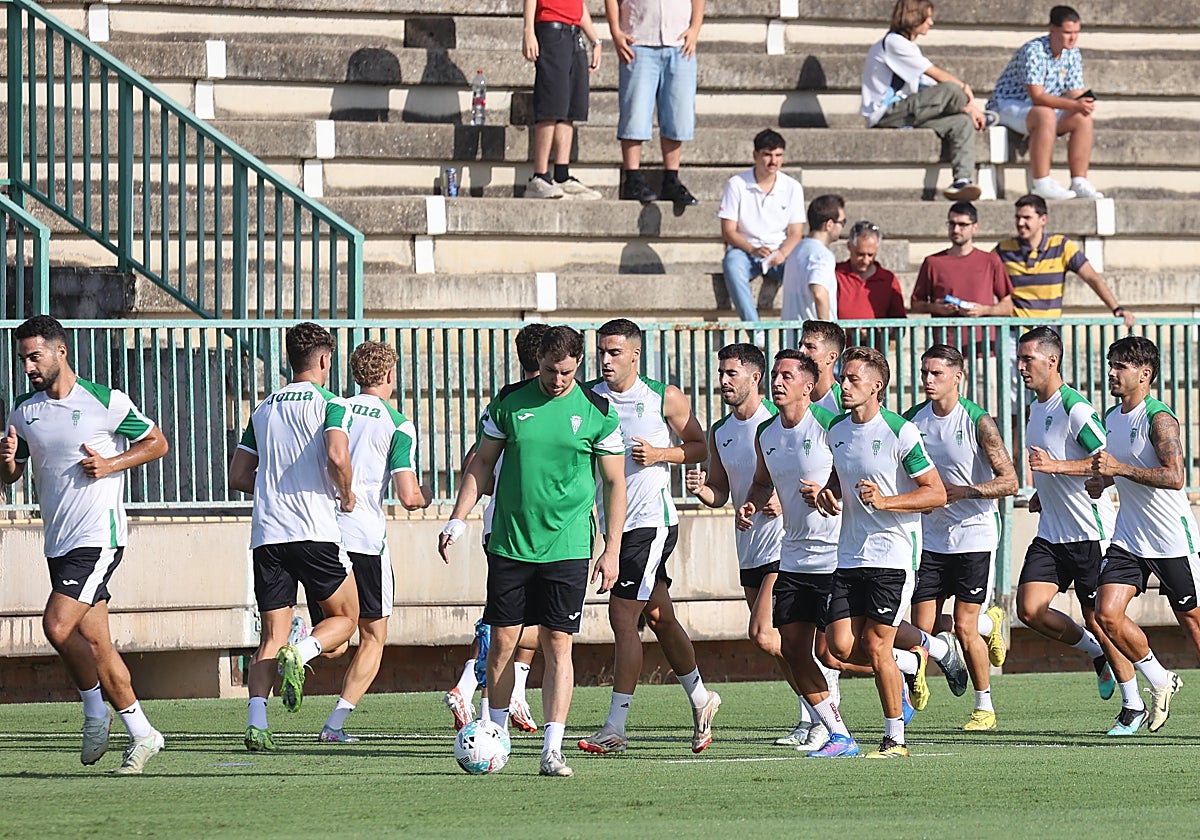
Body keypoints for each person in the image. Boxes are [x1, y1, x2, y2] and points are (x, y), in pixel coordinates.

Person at [439, 325, 627, 778]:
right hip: (511, 542)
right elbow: (482, 463)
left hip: (567, 545)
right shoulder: (509, 402)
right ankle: (495, 737)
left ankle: (552, 750)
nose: (556, 380)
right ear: (537, 362)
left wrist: (612, 549)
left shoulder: (598, 411)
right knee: (502, 641)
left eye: (565, 372)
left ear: (578, 364)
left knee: (557, 642)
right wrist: (457, 517)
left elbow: (615, 483)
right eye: (548, 370)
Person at [0, 315, 169, 775]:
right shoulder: (24, 411)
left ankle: (95, 714)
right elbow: (11, 475)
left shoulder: (104, 401)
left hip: (98, 538)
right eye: (23, 359)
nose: (29, 367)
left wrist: (112, 464)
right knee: (96, 644)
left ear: (61, 351)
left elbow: (157, 443)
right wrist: (8, 462)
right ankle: (143, 733)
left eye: (35, 357)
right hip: (58, 542)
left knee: (56, 626)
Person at [580, 318, 719, 756]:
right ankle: (701, 697)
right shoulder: (587, 396)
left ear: (635, 355)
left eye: (614, 352)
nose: (606, 360)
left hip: (651, 523)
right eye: (601, 352)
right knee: (659, 617)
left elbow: (699, 445)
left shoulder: (663, 397)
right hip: (615, 525)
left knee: (622, 617)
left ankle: (615, 726)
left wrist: (661, 453)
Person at [229, 322, 361, 752]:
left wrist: (274, 488)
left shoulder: (264, 408)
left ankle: (257, 723)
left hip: (268, 534)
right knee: (346, 619)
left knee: (271, 635)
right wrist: (346, 493)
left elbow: (238, 475)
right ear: (324, 359)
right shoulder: (331, 403)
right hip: (314, 530)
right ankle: (300, 655)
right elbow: (337, 454)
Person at [815, 346, 947, 758]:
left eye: (853, 379)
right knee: (835, 649)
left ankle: (895, 739)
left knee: (875, 645)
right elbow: (841, 475)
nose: (843, 385)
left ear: (876, 386)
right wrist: (828, 494)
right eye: (842, 378)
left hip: (892, 556)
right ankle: (913, 661)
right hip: (849, 555)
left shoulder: (900, 432)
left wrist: (886, 501)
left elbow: (936, 493)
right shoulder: (836, 429)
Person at [686, 344, 819, 747]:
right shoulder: (721, 431)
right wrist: (702, 490)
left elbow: (802, 470)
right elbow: (722, 491)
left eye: (732, 373)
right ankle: (812, 715)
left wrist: (779, 497)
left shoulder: (776, 423)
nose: (723, 381)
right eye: (721, 373)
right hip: (748, 547)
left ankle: (824, 714)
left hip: (783, 545)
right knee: (780, 645)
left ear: (755, 377)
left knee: (765, 635)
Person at [741, 351, 858, 756]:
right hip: (792, 555)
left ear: (808, 387)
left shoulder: (831, 425)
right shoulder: (766, 433)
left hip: (836, 555)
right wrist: (751, 502)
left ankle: (907, 663)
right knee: (792, 649)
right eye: (775, 374)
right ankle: (839, 734)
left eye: (787, 376)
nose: (777, 381)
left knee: (835, 652)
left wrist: (830, 492)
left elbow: (856, 473)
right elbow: (761, 481)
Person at [315, 340, 432, 743]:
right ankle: (334, 727)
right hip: (365, 539)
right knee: (373, 637)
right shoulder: (397, 424)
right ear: (390, 375)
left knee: (334, 640)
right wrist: (425, 494)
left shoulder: (335, 408)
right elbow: (408, 496)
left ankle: (301, 639)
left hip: (324, 535)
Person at [1016, 326, 1135, 723]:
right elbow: (1055, 464)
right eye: (1019, 359)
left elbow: (1107, 461)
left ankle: (1133, 703)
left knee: (1101, 621)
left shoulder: (1075, 408)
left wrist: (1055, 467)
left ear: (1052, 360)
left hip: (1090, 533)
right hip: (1052, 531)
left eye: (1028, 359)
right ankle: (1095, 653)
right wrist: (1044, 490)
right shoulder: (1035, 408)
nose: (1021, 367)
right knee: (1029, 609)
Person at [902, 345, 1018, 731]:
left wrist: (963, 492)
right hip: (931, 539)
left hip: (974, 536)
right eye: (924, 372)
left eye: (936, 373)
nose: (928, 380)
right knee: (923, 630)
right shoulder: (912, 420)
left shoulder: (978, 422)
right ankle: (989, 625)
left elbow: (1010, 481)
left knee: (964, 626)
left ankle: (984, 707)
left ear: (958, 377)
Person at [443, 324, 550, 734]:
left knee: (525, 616)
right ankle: (473, 687)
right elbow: (478, 464)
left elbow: (473, 464)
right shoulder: (522, 402)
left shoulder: (504, 401)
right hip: (522, 529)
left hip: (510, 526)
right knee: (518, 620)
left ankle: (512, 692)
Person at [1089, 338, 1192, 734]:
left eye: (1121, 366)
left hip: (1171, 539)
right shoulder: (1112, 417)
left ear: (1145, 374)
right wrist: (1104, 480)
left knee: (1193, 624)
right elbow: (1125, 466)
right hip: (1129, 536)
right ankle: (1161, 679)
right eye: (1112, 364)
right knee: (1106, 614)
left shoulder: (1159, 419)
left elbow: (1175, 476)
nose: (1112, 372)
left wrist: (1118, 469)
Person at [862, 0, 991, 201]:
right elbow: (939, 77)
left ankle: (962, 180)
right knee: (952, 89)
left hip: (907, 113)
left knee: (961, 123)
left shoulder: (909, 47)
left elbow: (927, 84)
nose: (931, 22)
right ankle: (977, 114)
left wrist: (966, 109)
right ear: (913, 17)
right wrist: (968, 98)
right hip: (887, 113)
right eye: (927, 17)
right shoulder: (895, 43)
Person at [987, 5, 1102, 201]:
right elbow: (1037, 96)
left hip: (1039, 109)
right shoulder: (1034, 51)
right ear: (1052, 30)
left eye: (1076, 33)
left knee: (1082, 119)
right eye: (1067, 33)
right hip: (1007, 104)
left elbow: (1075, 91)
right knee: (1045, 114)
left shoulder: (1073, 53)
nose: (1073, 38)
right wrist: (1074, 105)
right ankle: (1041, 182)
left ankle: (1079, 181)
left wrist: (1084, 102)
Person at [607, 0, 704, 206]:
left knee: (677, 113)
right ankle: (632, 177)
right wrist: (615, 31)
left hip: (679, 41)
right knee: (635, 112)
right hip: (639, 39)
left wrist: (695, 28)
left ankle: (671, 178)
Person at [996, 194, 1134, 326]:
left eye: (1027, 218)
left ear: (1043, 219)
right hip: (1014, 332)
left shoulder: (1061, 246)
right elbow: (984, 269)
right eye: (1017, 217)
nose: (1020, 223)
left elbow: (1092, 278)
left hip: (1047, 332)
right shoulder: (1003, 249)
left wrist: (1116, 309)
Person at [718, 129, 807, 322]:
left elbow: (796, 232)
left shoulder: (792, 187)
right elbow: (728, 231)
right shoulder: (736, 184)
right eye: (767, 154)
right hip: (744, 251)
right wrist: (752, 249)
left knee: (805, 270)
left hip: (779, 251)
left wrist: (782, 253)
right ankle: (756, 330)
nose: (773, 161)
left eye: (778, 155)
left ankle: (805, 328)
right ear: (755, 155)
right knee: (732, 265)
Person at [522, 0, 604, 199]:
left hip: (574, 32)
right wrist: (528, 30)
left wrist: (595, 39)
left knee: (569, 105)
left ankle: (561, 174)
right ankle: (540, 175)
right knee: (551, 101)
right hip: (551, 28)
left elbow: (579, 5)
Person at [781, 195, 846, 323]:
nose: (843, 227)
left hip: (792, 333)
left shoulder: (796, 250)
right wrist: (826, 330)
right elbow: (819, 292)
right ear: (829, 225)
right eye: (842, 222)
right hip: (813, 334)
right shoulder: (822, 255)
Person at [835, 222, 905, 321]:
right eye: (860, 254)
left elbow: (899, 320)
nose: (865, 260)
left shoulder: (888, 279)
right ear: (849, 247)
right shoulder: (836, 275)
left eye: (870, 255)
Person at [797, 320, 846, 414]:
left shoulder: (844, 403)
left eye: (810, 347)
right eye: (800, 345)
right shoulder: (791, 396)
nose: (800, 351)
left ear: (831, 357)